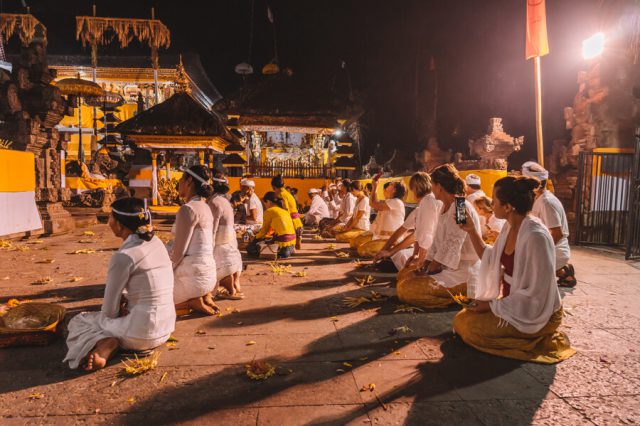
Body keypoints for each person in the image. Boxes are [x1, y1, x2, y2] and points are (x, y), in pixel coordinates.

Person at [453, 176, 576, 364]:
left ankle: (537, 340)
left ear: (508, 207)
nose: (491, 203)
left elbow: (536, 293)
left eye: (494, 200)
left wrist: (492, 305)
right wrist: (471, 230)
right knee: (462, 320)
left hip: (537, 311)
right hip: (513, 303)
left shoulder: (536, 236)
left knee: (470, 329)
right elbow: (489, 257)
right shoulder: (509, 228)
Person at [64, 197, 175, 370]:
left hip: (140, 333)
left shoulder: (124, 256)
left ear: (120, 224)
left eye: (110, 216)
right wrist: (126, 301)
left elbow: (108, 311)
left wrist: (119, 309)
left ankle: (106, 342)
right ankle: (115, 340)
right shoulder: (156, 242)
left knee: (79, 321)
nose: (108, 221)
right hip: (165, 327)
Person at [396, 165, 480, 308]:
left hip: (464, 270)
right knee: (403, 276)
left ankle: (457, 298)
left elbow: (452, 244)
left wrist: (429, 271)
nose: (431, 189)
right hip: (448, 267)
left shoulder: (460, 206)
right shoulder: (444, 206)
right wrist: (425, 264)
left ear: (439, 186)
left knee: (406, 289)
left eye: (432, 185)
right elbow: (437, 242)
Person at [171, 165, 218, 315]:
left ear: (189, 181)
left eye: (180, 179)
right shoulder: (205, 207)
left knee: (147, 301)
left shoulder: (188, 209)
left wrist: (162, 271)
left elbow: (178, 254)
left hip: (193, 278)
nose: (178, 183)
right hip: (208, 277)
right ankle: (203, 296)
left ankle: (191, 302)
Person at [522, 161, 575, 287]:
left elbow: (556, 234)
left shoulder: (547, 203)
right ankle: (563, 273)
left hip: (556, 249)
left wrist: (539, 252)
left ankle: (560, 270)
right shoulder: (538, 199)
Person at [208, 171, 244, 300]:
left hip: (221, 237)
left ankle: (231, 289)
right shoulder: (225, 200)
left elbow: (214, 226)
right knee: (230, 261)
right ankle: (234, 285)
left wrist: (209, 243)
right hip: (229, 237)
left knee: (220, 265)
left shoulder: (215, 201)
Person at [351, 177, 406, 258]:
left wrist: (375, 187)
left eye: (391, 184)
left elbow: (373, 204)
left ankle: (390, 253)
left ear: (394, 189)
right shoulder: (390, 202)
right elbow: (375, 205)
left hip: (391, 240)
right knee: (354, 243)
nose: (388, 186)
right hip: (381, 237)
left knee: (362, 250)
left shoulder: (396, 202)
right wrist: (375, 189)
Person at [248, 191, 297, 259]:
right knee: (268, 238)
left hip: (283, 242)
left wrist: (255, 238)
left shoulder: (269, 211)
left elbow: (264, 230)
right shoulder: (284, 211)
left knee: (250, 248)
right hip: (292, 242)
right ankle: (286, 251)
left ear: (268, 201)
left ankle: (281, 252)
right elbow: (273, 229)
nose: (265, 206)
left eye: (264, 203)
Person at [271, 176, 303, 250]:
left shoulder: (281, 195)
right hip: (298, 223)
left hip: (292, 224)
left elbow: (286, 210)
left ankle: (293, 243)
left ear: (273, 187)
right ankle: (297, 239)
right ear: (284, 185)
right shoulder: (288, 193)